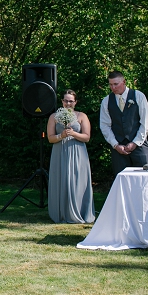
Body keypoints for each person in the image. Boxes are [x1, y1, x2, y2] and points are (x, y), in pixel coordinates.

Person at [47, 90, 95, 224]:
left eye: (71, 101)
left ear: (75, 102)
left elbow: (86, 137)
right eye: (66, 101)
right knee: (60, 180)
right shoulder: (54, 116)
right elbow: (50, 138)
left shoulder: (81, 116)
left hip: (78, 153)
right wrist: (60, 136)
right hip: (59, 152)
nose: (68, 103)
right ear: (62, 101)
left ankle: (79, 212)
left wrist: (73, 134)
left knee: (78, 181)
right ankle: (60, 213)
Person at [99, 71, 148, 177]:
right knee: (122, 182)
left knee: (147, 178)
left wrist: (135, 142)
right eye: (110, 84)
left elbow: (146, 121)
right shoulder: (106, 101)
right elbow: (105, 125)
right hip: (118, 149)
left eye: (116, 84)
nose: (113, 87)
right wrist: (115, 145)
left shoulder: (138, 96)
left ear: (124, 82)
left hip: (139, 145)